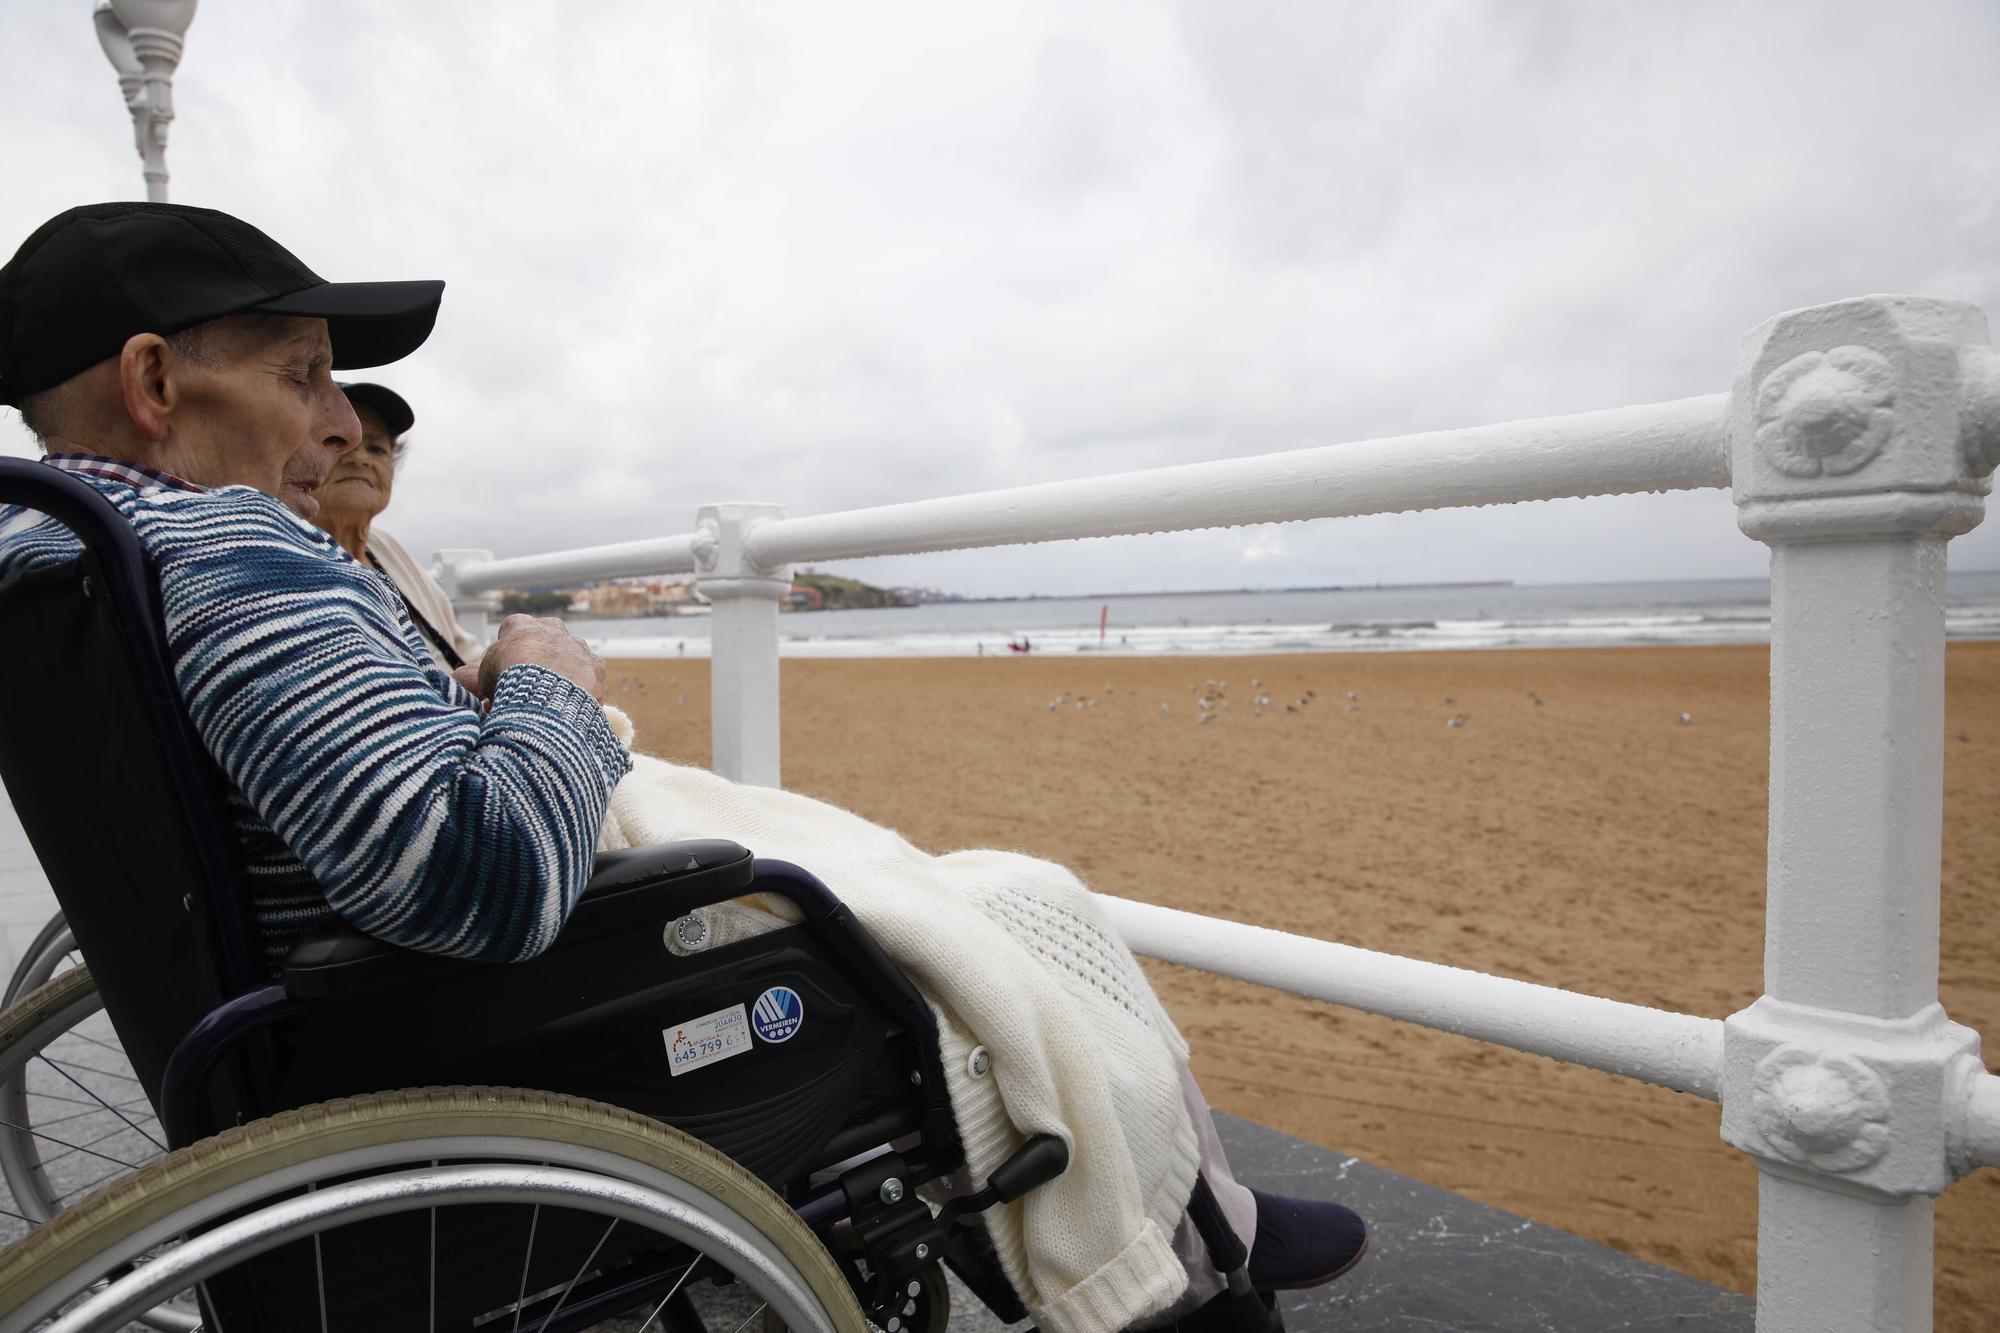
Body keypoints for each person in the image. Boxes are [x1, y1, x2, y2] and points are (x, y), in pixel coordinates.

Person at [0, 203, 1363, 1333]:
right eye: (301, 374)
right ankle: (1171, 1269)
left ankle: (1195, 1216)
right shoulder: (227, 549)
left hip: (301, 1026)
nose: (342, 421)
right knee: (1015, 896)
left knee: (951, 887)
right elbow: (476, 876)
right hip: (472, 1020)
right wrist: (548, 672)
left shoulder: (69, 560)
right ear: (155, 385)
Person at [313, 380, 482, 671]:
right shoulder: (286, 554)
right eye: (338, 441)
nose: (360, 458)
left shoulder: (386, 549)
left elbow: (466, 653)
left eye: (376, 448)